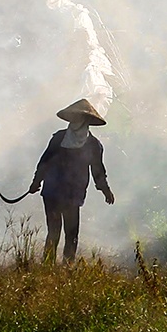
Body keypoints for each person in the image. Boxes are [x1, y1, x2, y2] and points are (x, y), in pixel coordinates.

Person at [27, 98, 114, 262]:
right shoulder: (59, 138)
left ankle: (67, 269)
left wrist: (105, 190)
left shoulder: (93, 145)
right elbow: (45, 162)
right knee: (53, 231)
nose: (75, 120)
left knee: (71, 233)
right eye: (73, 116)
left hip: (73, 194)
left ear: (86, 120)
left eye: (79, 117)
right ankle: (48, 268)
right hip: (52, 192)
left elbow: (98, 171)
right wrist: (36, 182)